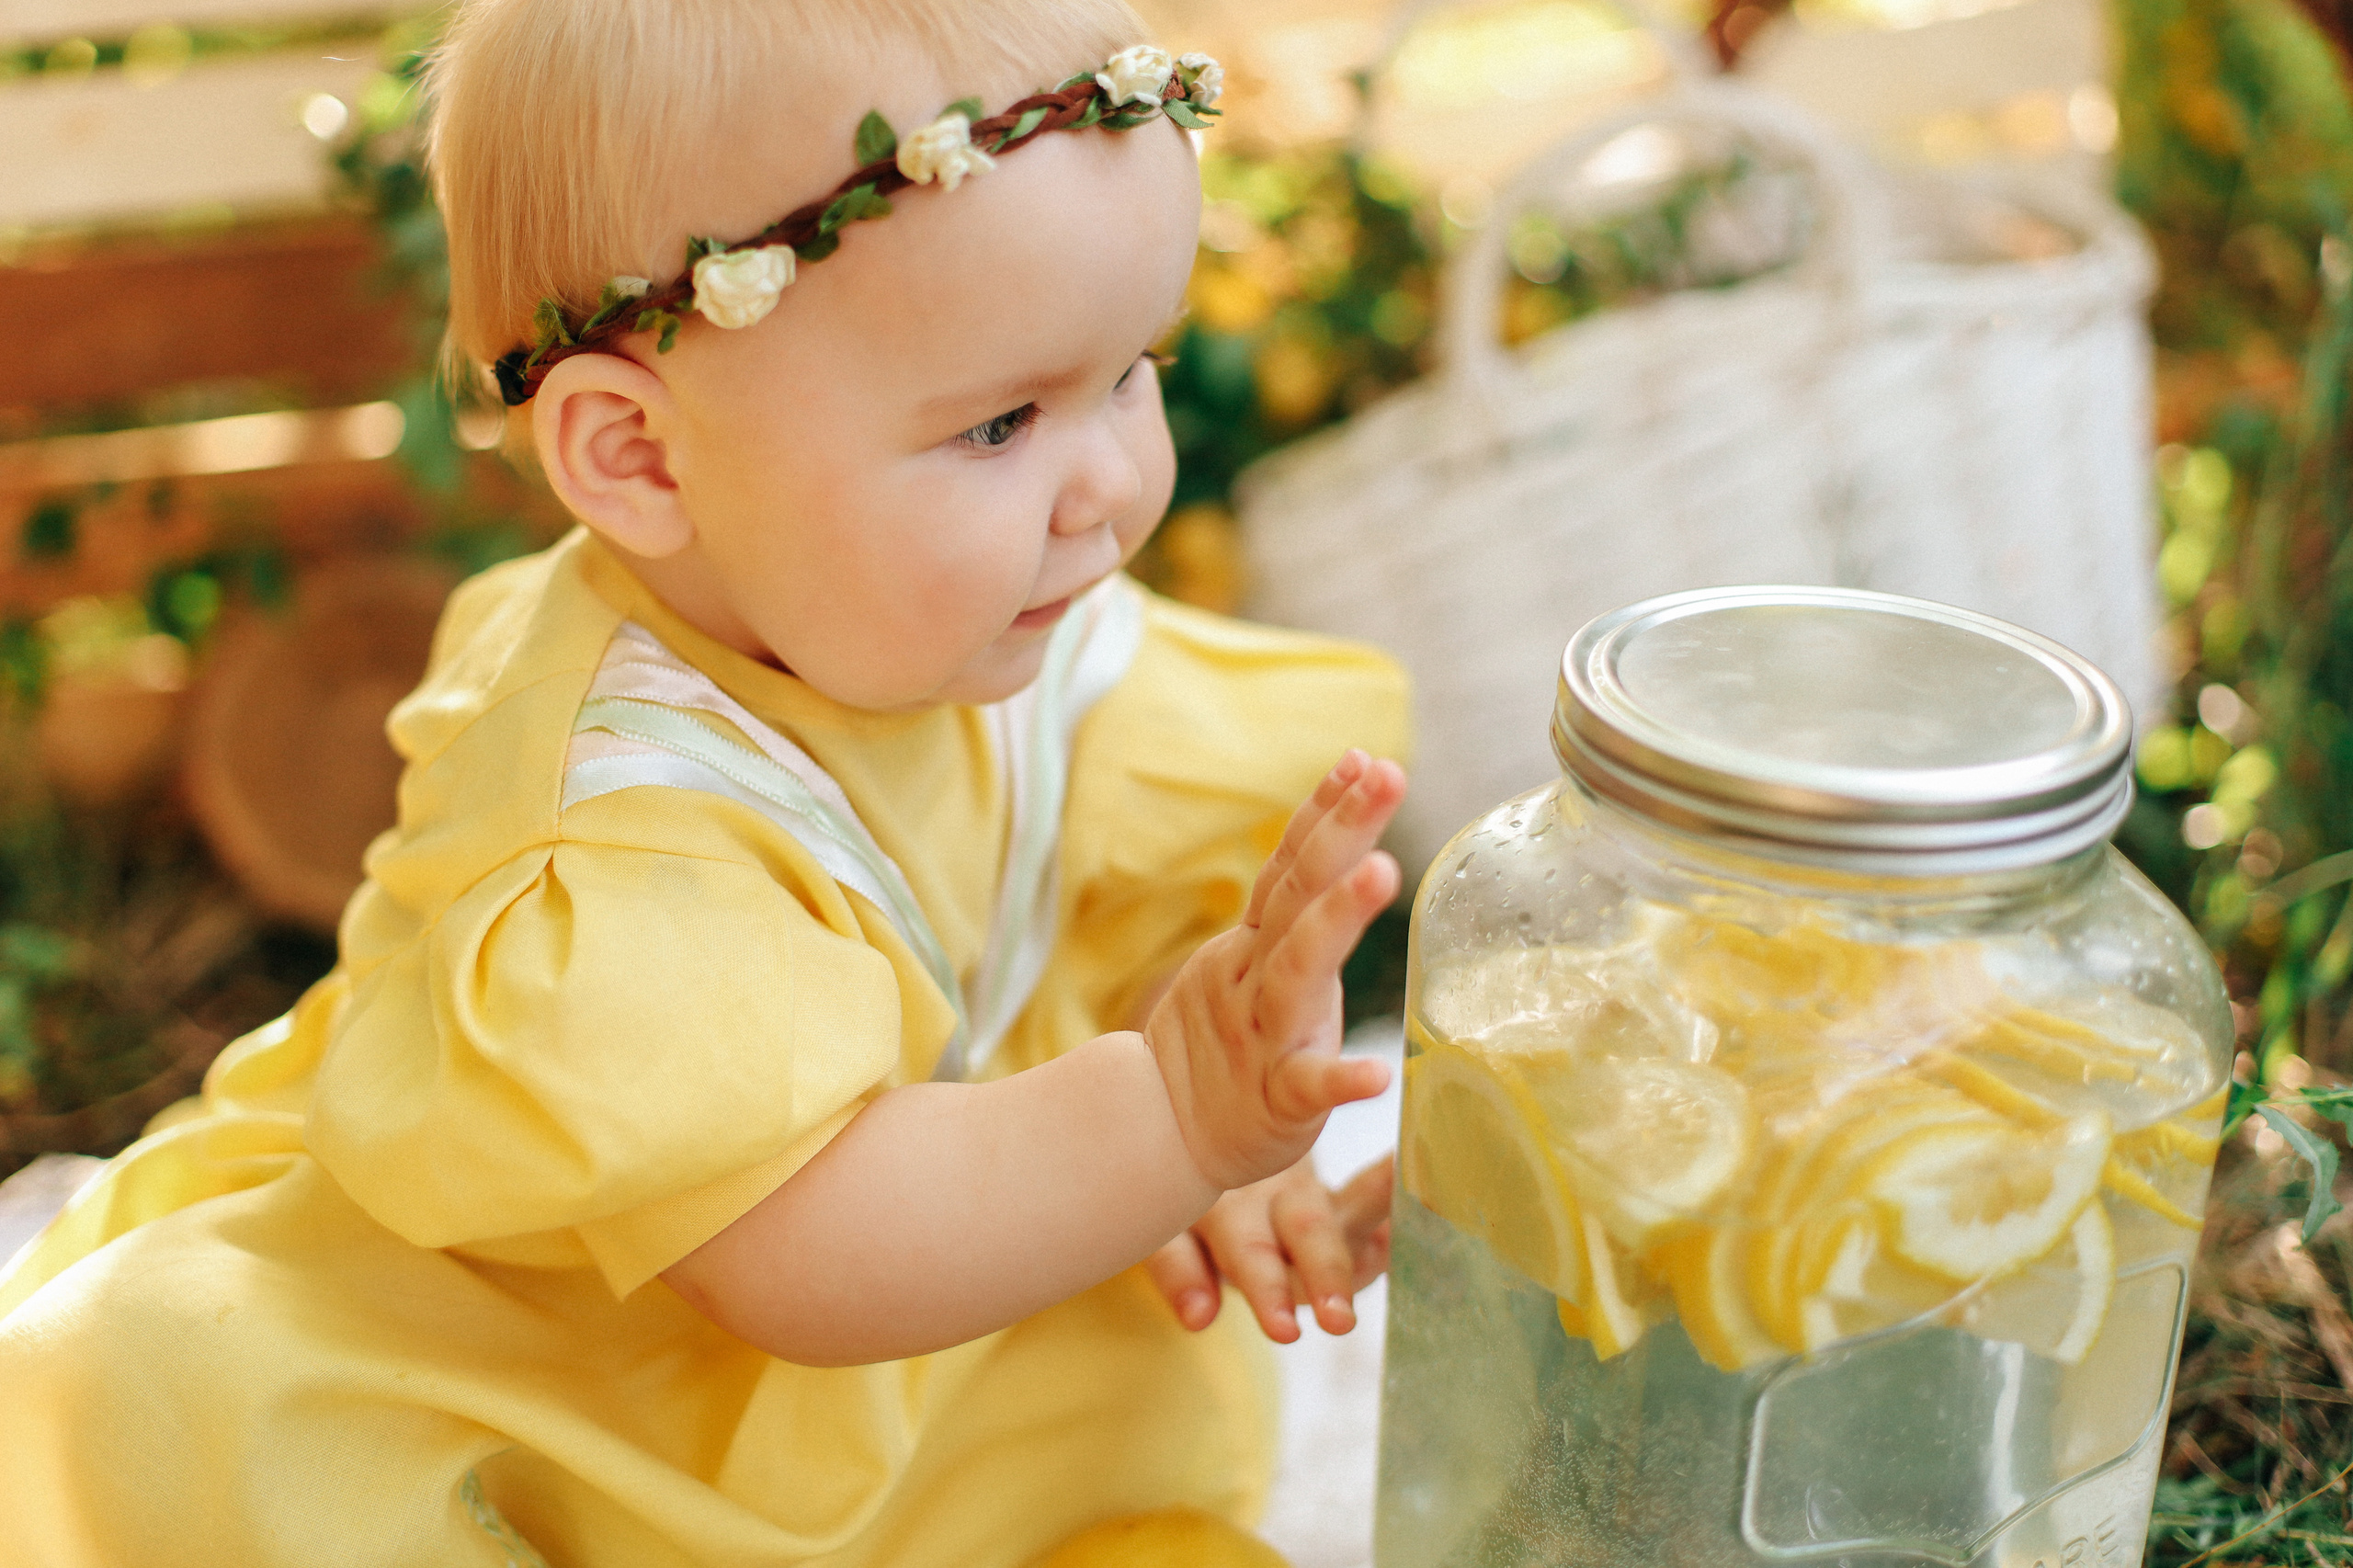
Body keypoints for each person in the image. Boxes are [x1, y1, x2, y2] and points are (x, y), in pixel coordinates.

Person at [0, 2, 1413, 1564]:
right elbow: (815, 1254)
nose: (1113, 485)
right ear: (641, 460)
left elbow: (1063, 898)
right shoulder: (618, 822)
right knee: (188, 1396)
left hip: (953, 1368)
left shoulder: (976, 617)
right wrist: (1167, 1120)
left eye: (1130, 371)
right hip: (607, 1391)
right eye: (1003, 420)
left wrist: (1185, 1067)